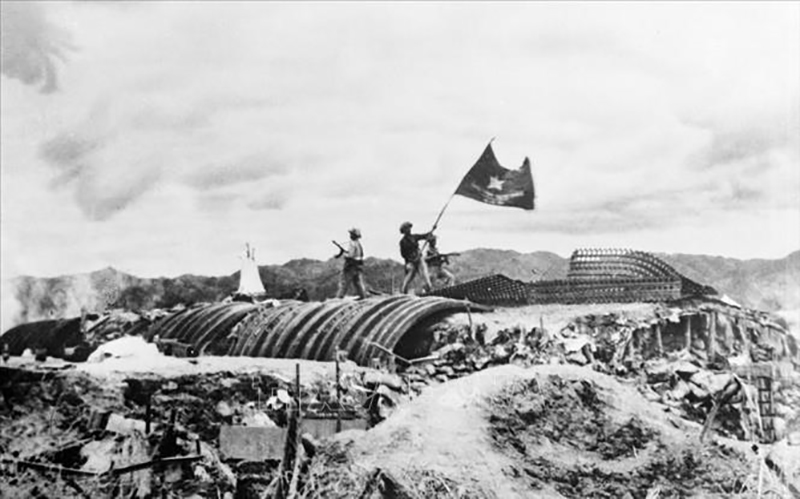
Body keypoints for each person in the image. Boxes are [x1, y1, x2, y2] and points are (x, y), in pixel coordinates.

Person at [399, 221, 433, 294]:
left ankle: (429, 288)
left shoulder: (414, 237)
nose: (409, 230)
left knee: (424, 274)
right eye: (407, 228)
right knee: (410, 276)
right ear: (404, 231)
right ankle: (404, 291)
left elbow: (424, 236)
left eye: (409, 228)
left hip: (419, 259)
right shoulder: (402, 242)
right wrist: (412, 259)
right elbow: (403, 254)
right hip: (410, 262)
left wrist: (431, 231)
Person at [336, 228, 367, 299]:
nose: (350, 235)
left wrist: (344, 253)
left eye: (351, 234)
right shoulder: (358, 244)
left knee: (344, 282)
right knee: (358, 282)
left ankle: (339, 298)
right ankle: (363, 297)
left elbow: (351, 255)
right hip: (358, 266)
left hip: (351, 265)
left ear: (353, 235)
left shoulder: (352, 243)